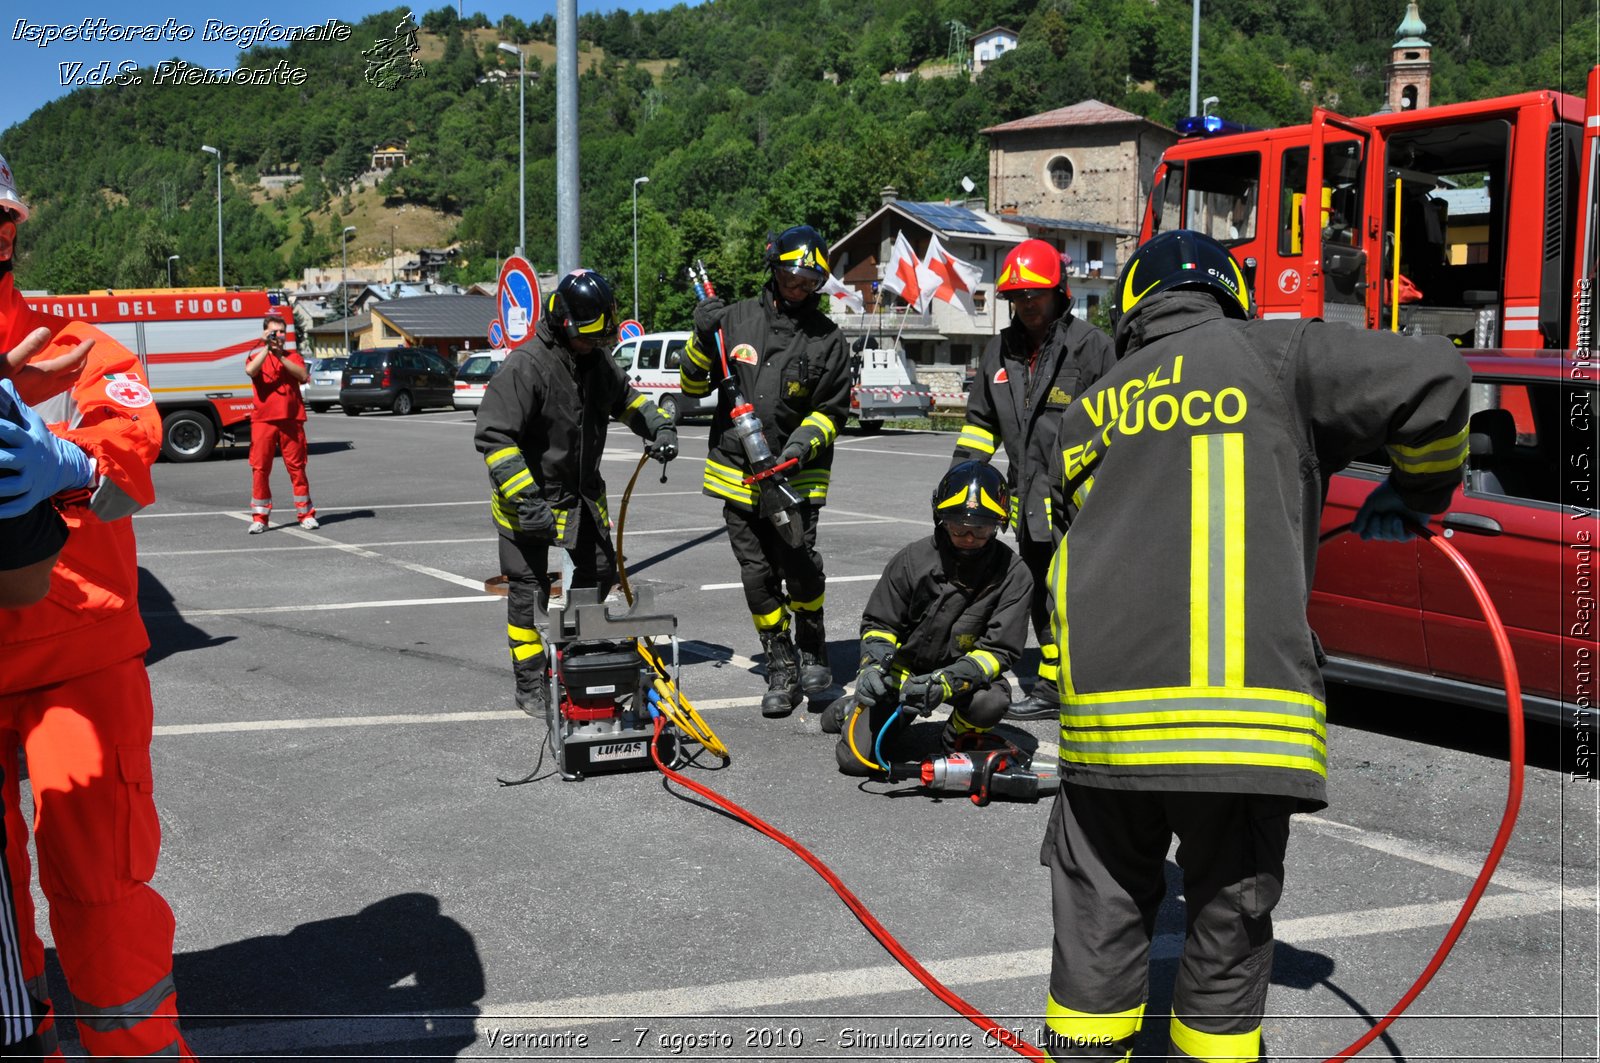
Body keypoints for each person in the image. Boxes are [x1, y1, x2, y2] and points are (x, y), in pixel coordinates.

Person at [1038, 229, 1469, 1061]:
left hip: (1101, 731)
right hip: (1235, 725)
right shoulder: (1274, 352)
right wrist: (1418, 490)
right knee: (1225, 927)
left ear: (1130, 312)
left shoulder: (1092, 404)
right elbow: (1436, 378)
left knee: (1097, 920)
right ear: (1230, 294)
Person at [0, 151, 197, 1058]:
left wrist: (73, 463)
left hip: (76, 658)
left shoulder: (74, 345)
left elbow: (131, 445)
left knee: (100, 882)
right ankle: (24, 1028)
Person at [474, 268, 677, 719]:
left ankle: (577, 665)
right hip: (526, 503)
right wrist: (528, 502)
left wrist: (659, 426)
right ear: (563, 323)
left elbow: (627, 400)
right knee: (527, 597)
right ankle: (530, 686)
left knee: (599, 575)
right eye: (589, 338)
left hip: (581, 502)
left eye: (600, 338)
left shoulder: (595, 360)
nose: (596, 345)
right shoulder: (527, 367)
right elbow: (495, 437)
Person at [680, 224, 852, 717]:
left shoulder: (827, 340)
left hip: (796, 476)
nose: (799, 289)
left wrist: (797, 449)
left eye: (810, 282)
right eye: (792, 277)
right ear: (774, 269)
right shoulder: (733, 320)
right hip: (737, 473)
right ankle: (779, 660)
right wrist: (701, 335)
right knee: (757, 576)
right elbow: (693, 384)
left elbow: (831, 411)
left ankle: (813, 645)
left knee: (799, 567)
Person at [949, 238, 1115, 720]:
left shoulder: (1092, 347)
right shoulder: (999, 351)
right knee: (1041, 585)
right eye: (1017, 297)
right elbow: (980, 425)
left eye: (1034, 295)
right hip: (1026, 497)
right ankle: (1053, 681)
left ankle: (1074, 679)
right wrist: (961, 481)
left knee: (1079, 587)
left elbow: (1119, 424)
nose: (1026, 305)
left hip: (1079, 496)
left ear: (1059, 291)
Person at [821, 461, 1031, 776]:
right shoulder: (912, 561)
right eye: (959, 527)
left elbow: (998, 651)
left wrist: (946, 682)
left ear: (1000, 524)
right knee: (854, 761)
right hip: (901, 674)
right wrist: (872, 669)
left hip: (961, 676)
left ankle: (954, 739)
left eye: (982, 528)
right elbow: (880, 625)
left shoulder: (1014, 575)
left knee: (992, 700)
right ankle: (852, 710)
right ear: (941, 520)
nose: (970, 537)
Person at [244, 312, 317, 532]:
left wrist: (279, 355)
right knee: (260, 469)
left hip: (291, 420)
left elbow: (302, 375)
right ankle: (260, 518)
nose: (279, 336)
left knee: (297, 468)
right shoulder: (257, 356)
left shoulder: (292, 357)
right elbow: (250, 370)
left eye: (282, 332)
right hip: (263, 421)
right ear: (266, 333)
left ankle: (306, 514)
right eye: (274, 332)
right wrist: (266, 348)